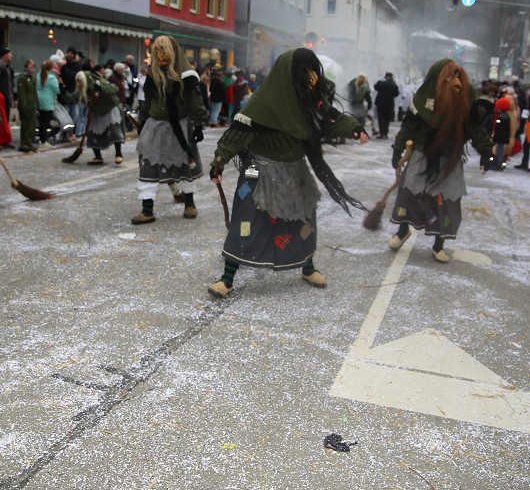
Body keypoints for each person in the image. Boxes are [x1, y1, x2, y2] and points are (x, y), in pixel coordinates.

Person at [206, 48, 370, 298]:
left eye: (313, 70)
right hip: (259, 171)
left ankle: (308, 266)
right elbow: (236, 135)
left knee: (303, 218)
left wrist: (355, 129)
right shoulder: (262, 102)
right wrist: (218, 163)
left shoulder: (309, 99)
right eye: (306, 71)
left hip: (295, 169)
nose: (312, 77)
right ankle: (227, 278)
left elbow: (331, 117)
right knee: (246, 220)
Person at [387, 59, 494, 261]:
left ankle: (439, 244)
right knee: (409, 192)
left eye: (457, 76)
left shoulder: (465, 98)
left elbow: (474, 127)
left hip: (449, 156)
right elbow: (408, 125)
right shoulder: (424, 97)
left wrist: (485, 151)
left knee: (445, 199)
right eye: (449, 76)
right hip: (422, 153)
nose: (454, 82)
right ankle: (402, 231)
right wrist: (397, 149)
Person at [133, 36, 209, 224]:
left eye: (164, 50)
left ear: (174, 52)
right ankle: (147, 210)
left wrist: (198, 125)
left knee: (183, 164)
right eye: (157, 50)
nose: (161, 55)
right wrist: (142, 120)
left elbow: (195, 103)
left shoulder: (187, 76)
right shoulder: (152, 75)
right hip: (154, 126)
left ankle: (189, 204)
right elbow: (148, 101)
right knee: (148, 164)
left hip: (179, 128)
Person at [83, 66, 126, 165]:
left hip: (109, 108)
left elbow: (114, 88)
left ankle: (119, 153)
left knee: (114, 130)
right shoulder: (83, 89)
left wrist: (101, 88)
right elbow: (75, 99)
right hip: (96, 111)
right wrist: (63, 93)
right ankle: (98, 156)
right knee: (93, 133)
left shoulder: (100, 82)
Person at [36, 59, 62, 148]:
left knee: (41, 121)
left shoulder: (38, 75)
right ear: (51, 67)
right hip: (48, 101)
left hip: (40, 100)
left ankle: (42, 139)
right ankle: (43, 141)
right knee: (45, 122)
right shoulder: (51, 78)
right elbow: (57, 90)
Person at [15, 59, 38, 152]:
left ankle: (29, 142)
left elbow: (34, 92)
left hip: (32, 105)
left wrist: (36, 104)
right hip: (26, 105)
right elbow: (21, 94)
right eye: (31, 67)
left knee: (32, 125)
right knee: (26, 124)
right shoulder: (22, 78)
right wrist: (23, 106)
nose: (33, 69)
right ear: (26, 68)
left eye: (34, 68)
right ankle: (24, 142)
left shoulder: (33, 77)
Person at [373, 72, 400, 139]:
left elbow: (375, 87)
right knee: (387, 119)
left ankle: (382, 133)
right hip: (389, 104)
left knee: (381, 119)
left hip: (380, 104)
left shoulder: (381, 82)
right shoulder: (393, 84)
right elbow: (396, 94)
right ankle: (385, 133)